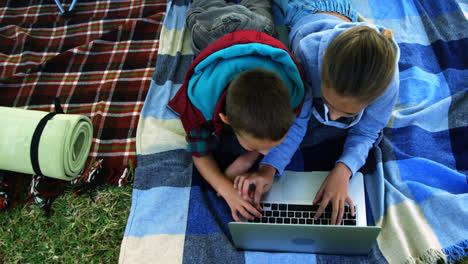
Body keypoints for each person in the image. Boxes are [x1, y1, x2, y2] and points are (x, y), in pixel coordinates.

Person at [234, 0, 400, 225]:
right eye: (329, 103)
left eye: (346, 113)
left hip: (338, 10)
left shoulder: (387, 84)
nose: (331, 118)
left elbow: (368, 132)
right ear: (322, 65)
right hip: (302, 7)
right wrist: (268, 168)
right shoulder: (306, 55)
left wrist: (343, 171)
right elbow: (298, 118)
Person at [167, 0, 306, 222]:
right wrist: (227, 190)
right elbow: (199, 153)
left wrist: (247, 157)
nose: (266, 154)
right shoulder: (202, 101)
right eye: (254, 146)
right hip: (214, 29)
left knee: (261, 7)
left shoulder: (291, 91)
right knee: (201, 7)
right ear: (225, 119)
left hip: (259, 30)